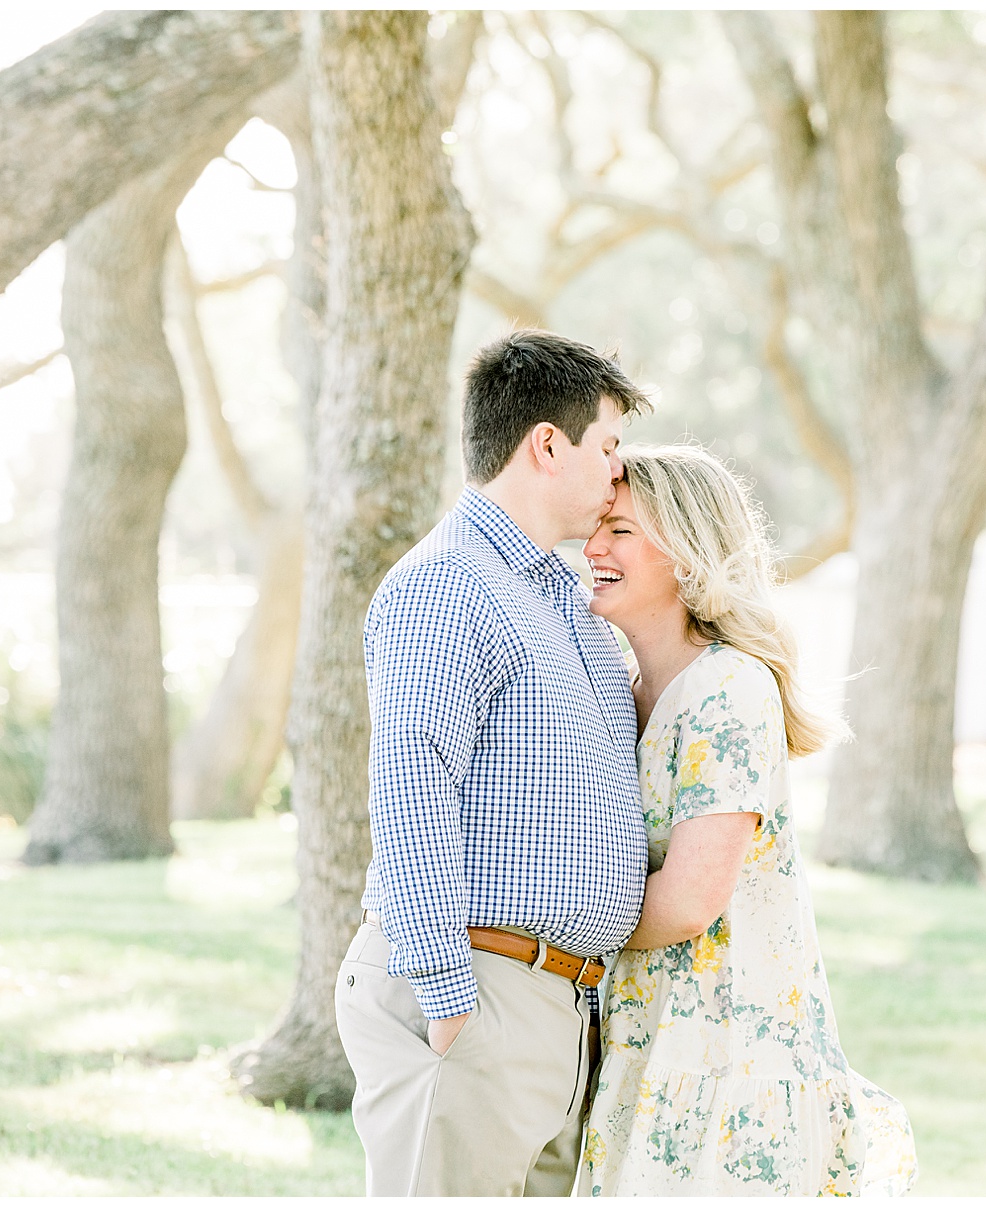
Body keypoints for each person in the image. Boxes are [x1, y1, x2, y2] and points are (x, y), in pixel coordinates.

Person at [334, 329, 653, 1196]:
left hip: (556, 1008)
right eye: (610, 447)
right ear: (547, 444)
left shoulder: (568, 604)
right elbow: (411, 784)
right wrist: (448, 1001)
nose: (617, 474)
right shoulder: (448, 584)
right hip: (476, 987)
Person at [575, 443, 919, 1196]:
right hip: (652, 1039)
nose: (593, 545)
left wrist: (548, 925)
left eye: (621, 530)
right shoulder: (623, 686)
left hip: (728, 1057)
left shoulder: (727, 687)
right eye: (597, 526)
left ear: (688, 553)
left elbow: (690, 898)